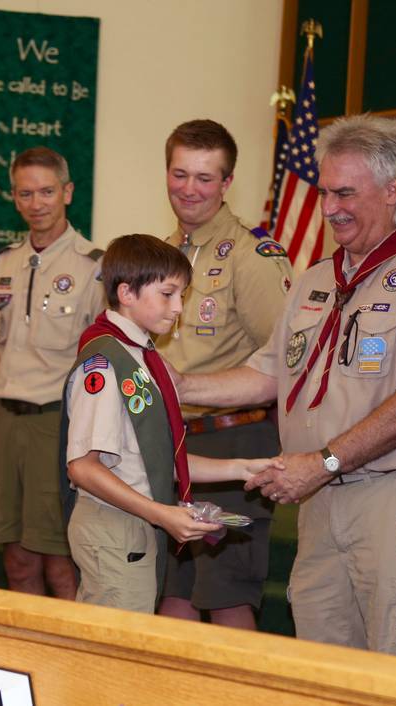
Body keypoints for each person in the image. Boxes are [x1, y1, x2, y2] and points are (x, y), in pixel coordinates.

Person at [174, 115, 396, 655]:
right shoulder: (318, 278)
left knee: (392, 667)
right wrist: (175, 385)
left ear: (393, 191)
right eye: (325, 193)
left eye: (346, 193)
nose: (329, 208)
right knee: (321, 665)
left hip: (385, 500)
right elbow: (268, 374)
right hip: (317, 502)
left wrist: (322, 463)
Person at [60, 234, 281, 612]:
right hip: (115, 527)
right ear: (126, 293)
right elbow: (83, 467)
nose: (179, 307)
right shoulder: (107, 363)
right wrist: (163, 514)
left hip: (133, 523)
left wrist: (241, 467)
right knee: (116, 653)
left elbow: (157, 459)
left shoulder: (140, 357)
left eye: (182, 295)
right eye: (168, 294)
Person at [156, 119, 292, 629]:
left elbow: (284, 361)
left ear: (227, 183)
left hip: (234, 442)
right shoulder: (163, 252)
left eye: (205, 178)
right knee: (175, 600)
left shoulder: (252, 257)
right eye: (180, 173)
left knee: (227, 600)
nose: (189, 189)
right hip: (175, 445)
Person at [0, 147, 106, 599]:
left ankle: (68, 661)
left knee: (58, 557)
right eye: (26, 193)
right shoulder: (5, 263)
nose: (37, 203)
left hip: (58, 424)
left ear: (67, 192)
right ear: (13, 197)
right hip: (8, 422)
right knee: (15, 555)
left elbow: (99, 364)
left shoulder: (94, 266)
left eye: (47, 191)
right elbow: (0, 353)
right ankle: (23, 658)